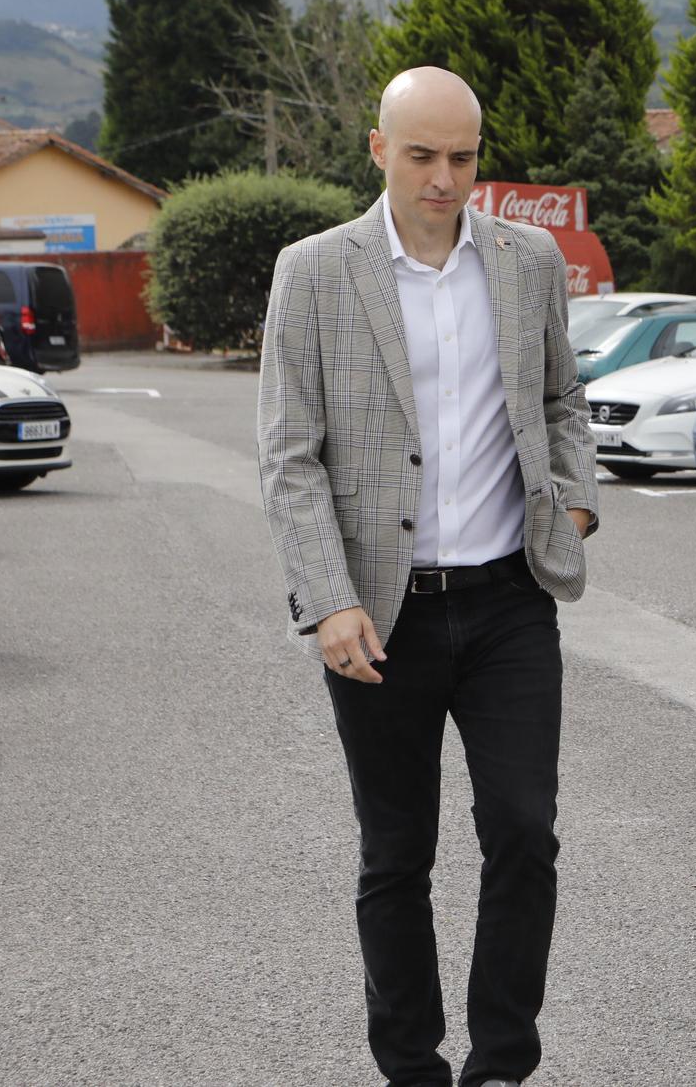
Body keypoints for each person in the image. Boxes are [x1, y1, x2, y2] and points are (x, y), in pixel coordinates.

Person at [257, 66, 598, 1087]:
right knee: (396, 854)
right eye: (422, 156)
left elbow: (562, 398)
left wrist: (572, 506)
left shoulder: (528, 260)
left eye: (461, 157)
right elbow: (287, 455)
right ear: (378, 150)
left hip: (506, 601)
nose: (444, 178)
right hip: (378, 615)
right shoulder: (314, 271)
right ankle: (411, 1066)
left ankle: (500, 1061)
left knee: (525, 835)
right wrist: (329, 601)